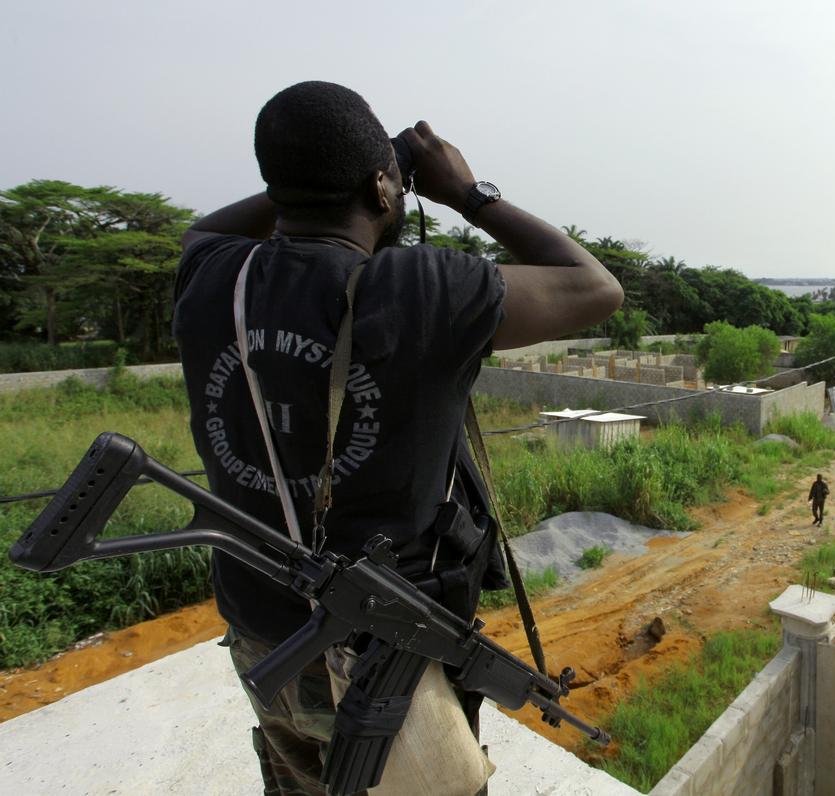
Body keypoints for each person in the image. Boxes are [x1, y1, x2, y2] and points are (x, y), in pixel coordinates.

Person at [173, 81, 623, 795]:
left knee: (298, 780)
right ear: (385, 189)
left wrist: (303, 182)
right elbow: (595, 287)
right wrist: (464, 191)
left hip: (262, 632)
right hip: (391, 658)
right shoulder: (421, 287)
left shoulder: (212, 276)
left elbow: (202, 230)